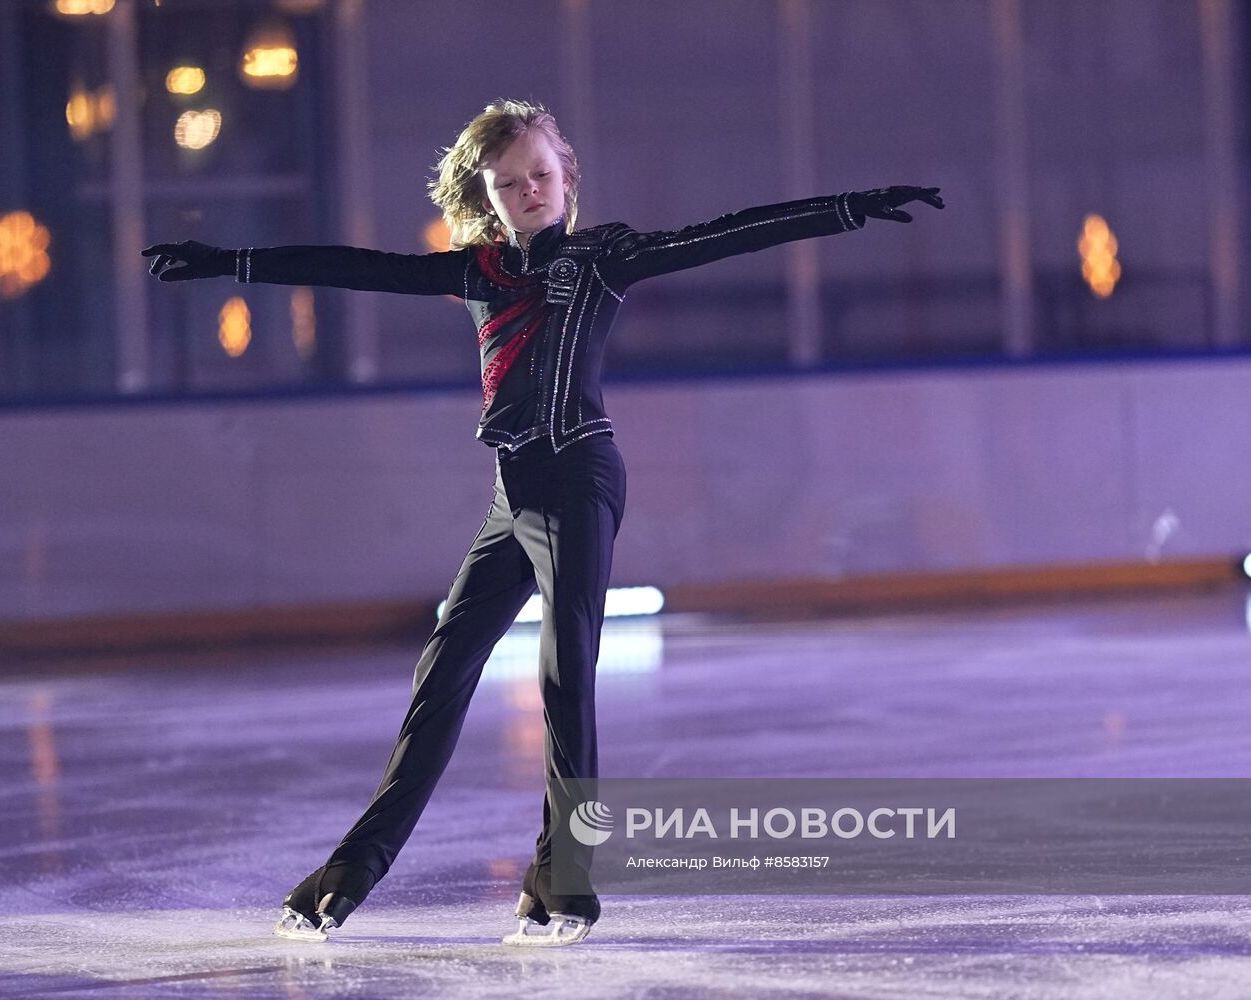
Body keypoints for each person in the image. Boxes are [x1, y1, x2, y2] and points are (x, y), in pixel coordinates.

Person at [143, 98, 943, 947]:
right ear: (487, 192)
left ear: (567, 179)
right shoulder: (479, 271)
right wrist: (232, 262)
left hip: (579, 479)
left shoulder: (604, 258)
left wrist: (845, 209)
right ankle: (348, 873)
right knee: (441, 671)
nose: (528, 190)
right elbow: (356, 266)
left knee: (566, 678)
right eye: (509, 181)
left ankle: (565, 885)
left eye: (541, 175)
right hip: (512, 494)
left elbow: (729, 232)